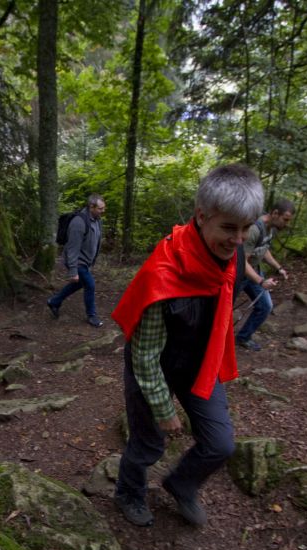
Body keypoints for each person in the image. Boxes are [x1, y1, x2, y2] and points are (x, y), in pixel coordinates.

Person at [111, 164, 263, 527]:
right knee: (148, 444)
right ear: (202, 216)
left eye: (246, 228)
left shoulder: (235, 254)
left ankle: (181, 484)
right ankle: (128, 492)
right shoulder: (162, 275)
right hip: (155, 367)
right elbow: (144, 357)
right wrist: (164, 409)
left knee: (220, 443)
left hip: (199, 362)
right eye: (229, 228)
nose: (238, 239)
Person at [234, 199, 294, 351]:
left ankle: (243, 337)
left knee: (265, 306)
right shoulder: (254, 229)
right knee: (223, 309)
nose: (286, 224)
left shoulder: (270, 229)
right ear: (275, 213)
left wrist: (278, 268)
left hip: (254, 272)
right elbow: (241, 262)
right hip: (239, 275)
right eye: (285, 219)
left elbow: (263, 249)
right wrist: (261, 281)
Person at [47, 194, 106, 327]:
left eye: (103, 208)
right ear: (91, 207)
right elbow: (72, 248)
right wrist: (73, 271)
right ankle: (92, 316)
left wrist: (92, 261)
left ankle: (54, 301)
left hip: (85, 261)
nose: (103, 211)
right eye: (100, 208)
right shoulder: (78, 222)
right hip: (77, 261)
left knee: (79, 284)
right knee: (90, 285)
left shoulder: (97, 220)